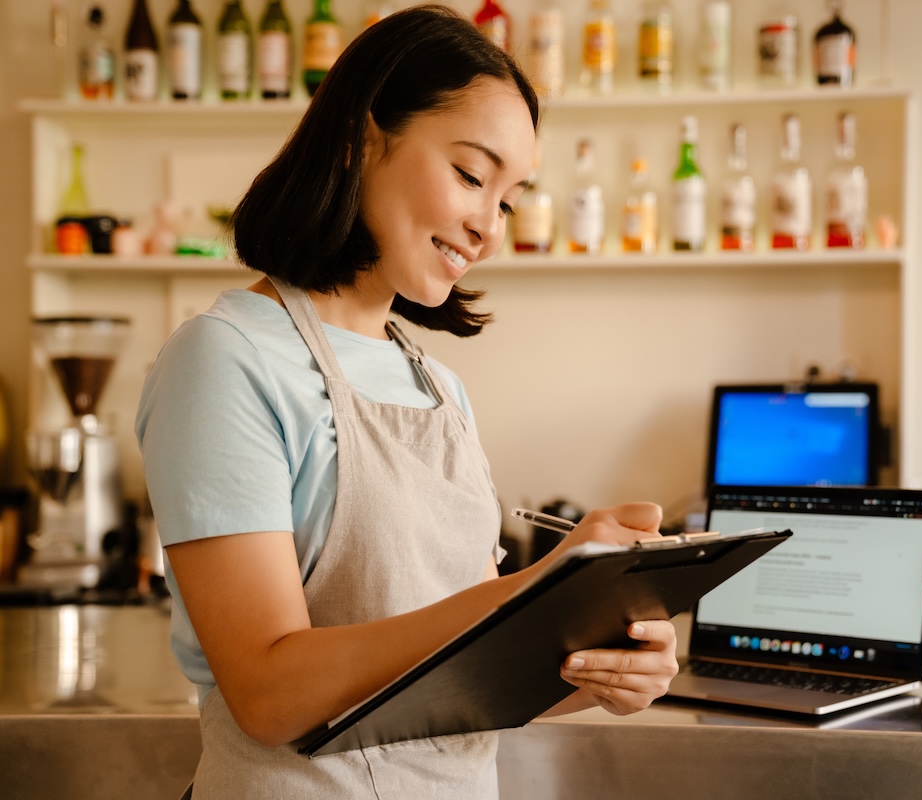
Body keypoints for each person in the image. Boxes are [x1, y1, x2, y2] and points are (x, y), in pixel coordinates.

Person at [135, 6, 677, 798]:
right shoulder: (225, 359)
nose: (488, 226)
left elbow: (461, 680)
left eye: (508, 198)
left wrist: (599, 669)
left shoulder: (437, 385)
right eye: (469, 174)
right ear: (361, 139)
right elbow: (267, 692)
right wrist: (532, 588)